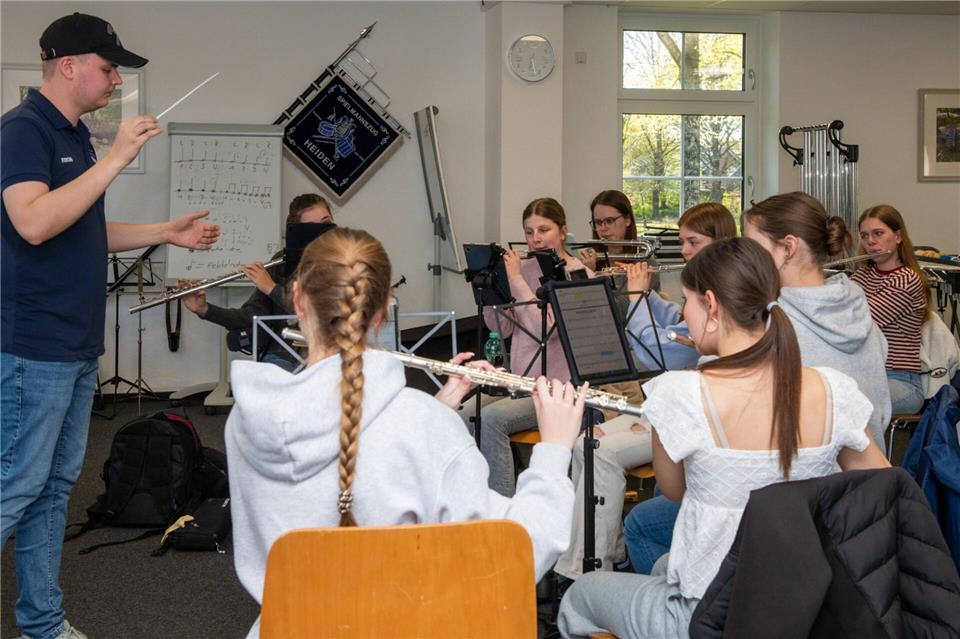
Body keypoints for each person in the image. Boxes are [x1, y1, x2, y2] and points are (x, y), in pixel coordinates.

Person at [226, 227, 587, 638]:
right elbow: (517, 555)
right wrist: (554, 449)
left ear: (297, 301)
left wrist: (436, 411)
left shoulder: (246, 419)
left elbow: (362, 447)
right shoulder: (419, 427)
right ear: (384, 311)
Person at [1, 13, 220, 639]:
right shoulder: (22, 132)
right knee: (15, 486)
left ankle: (43, 624)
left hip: (72, 344)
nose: (116, 79)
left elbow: (80, 228)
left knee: (51, 489)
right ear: (68, 65)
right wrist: (120, 155)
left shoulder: (75, 137)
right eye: (107, 66)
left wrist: (164, 231)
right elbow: (34, 224)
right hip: (31, 345)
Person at [557, 237, 889, 639]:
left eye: (687, 302)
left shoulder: (678, 394)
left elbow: (674, 489)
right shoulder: (834, 388)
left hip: (713, 617)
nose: (684, 313)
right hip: (806, 602)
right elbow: (880, 487)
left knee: (580, 597)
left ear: (711, 305)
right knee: (662, 567)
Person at [623, 192, 894, 578]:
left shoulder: (767, 327)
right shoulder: (856, 303)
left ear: (787, 249)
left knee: (643, 524)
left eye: (751, 246)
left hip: (788, 503)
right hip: (855, 505)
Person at [554, 202, 736, 581]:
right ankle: (599, 552)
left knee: (599, 449)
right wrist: (642, 292)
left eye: (692, 241)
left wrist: (637, 296)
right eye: (683, 240)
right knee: (584, 443)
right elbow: (673, 321)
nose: (684, 250)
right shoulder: (702, 283)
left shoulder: (723, 289)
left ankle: (590, 568)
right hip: (670, 408)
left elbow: (661, 349)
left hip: (692, 415)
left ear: (719, 241)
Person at [473, 197, 591, 496]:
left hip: (557, 387)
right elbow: (504, 329)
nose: (536, 239)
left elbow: (545, 330)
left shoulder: (576, 273)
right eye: (529, 232)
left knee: (491, 419)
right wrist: (490, 294)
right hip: (522, 380)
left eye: (544, 230)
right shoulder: (522, 268)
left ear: (563, 232)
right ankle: (475, 500)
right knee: (463, 414)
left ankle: (503, 511)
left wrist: (514, 279)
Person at [182, 194, 333, 371]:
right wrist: (205, 309)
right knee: (268, 382)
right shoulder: (282, 261)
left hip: (330, 354)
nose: (321, 233)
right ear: (298, 232)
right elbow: (253, 316)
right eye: (311, 228)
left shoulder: (345, 263)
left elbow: (320, 314)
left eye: (326, 223)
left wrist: (272, 288)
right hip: (284, 354)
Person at [850, 204, 931, 415]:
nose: (871, 242)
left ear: (897, 237)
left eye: (878, 233)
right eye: (865, 236)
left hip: (901, 381)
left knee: (847, 404)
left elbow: (860, 320)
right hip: (866, 376)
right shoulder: (862, 276)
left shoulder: (907, 279)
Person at [578, 190, 640, 272]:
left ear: (627, 220)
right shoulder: (589, 260)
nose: (603, 228)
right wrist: (588, 271)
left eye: (610, 221)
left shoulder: (644, 261)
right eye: (598, 222)